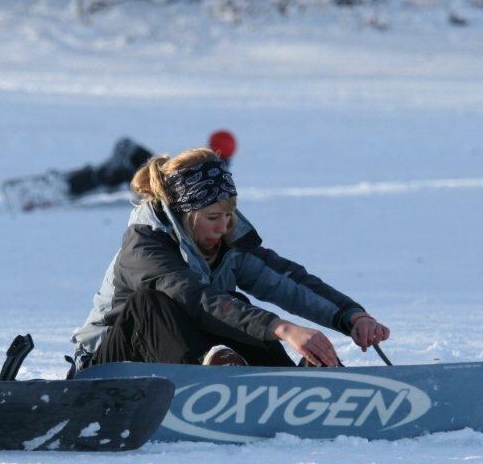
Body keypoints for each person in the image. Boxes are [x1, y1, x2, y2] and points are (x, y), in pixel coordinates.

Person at [70, 146, 389, 373]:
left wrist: (351, 316)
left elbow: (287, 283)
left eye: (228, 215)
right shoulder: (143, 246)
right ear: (185, 214)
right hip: (105, 366)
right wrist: (281, 327)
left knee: (236, 305)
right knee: (150, 304)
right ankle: (209, 380)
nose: (223, 227)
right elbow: (193, 297)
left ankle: (293, 382)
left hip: (175, 357)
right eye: (212, 217)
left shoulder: (227, 243)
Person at [65, 130, 236, 200]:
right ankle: (74, 181)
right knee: (126, 148)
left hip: (160, 182)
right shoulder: (215, 167)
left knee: (118, 167)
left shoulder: (212, 169)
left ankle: (69, 186)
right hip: (162, 175)